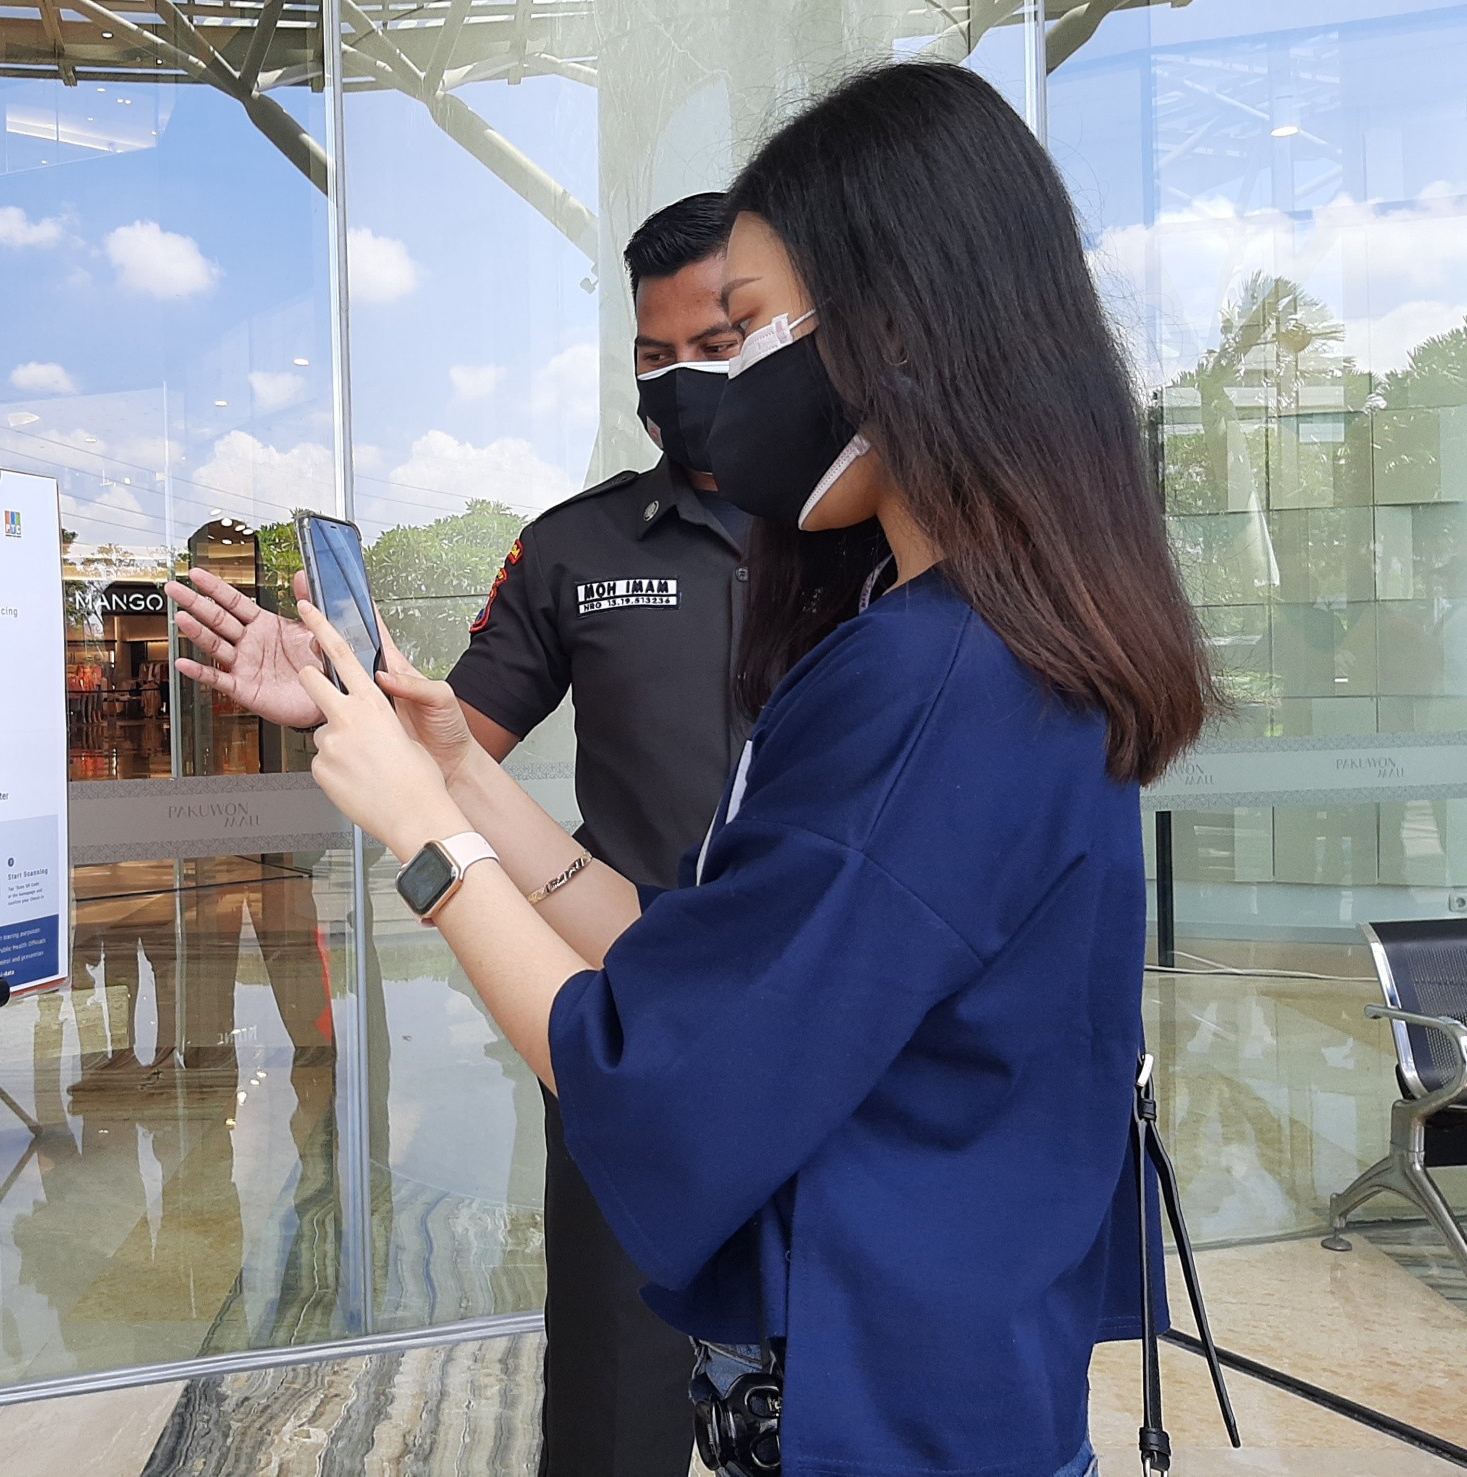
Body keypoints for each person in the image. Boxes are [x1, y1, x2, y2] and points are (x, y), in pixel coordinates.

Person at [280, 63, 1215, 1477]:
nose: (725, 381)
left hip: (892, 1419)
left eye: (754, 325)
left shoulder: (929, 681)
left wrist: (420, 837)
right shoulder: (1000, 649)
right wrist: (459, 779)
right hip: (966, 1392)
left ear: (899, 324)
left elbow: (652, 1069)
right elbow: (718, 970)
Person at [166, 192, 859, 1475]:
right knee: (614, 1368)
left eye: (718, 345)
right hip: (619, 999)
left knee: (833, 1368)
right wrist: (332, 689)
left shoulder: (858, 545)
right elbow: (444, 746)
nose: (682, 383)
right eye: (654, 360)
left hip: (822, 1020)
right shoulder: (575, 546)